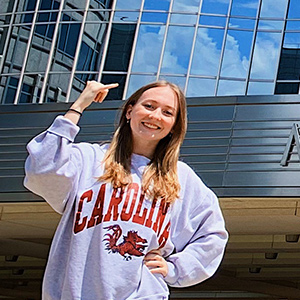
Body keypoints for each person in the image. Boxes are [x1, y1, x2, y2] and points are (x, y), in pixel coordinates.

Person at [24, 80, 228, 300]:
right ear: (130, 111)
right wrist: (79, 106)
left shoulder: (181, 177)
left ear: (174, 125)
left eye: (167, 112)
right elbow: (42, 168)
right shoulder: (89, 159)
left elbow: (213, 234)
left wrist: (175, 269)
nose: (155, 116)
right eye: (149, 106)